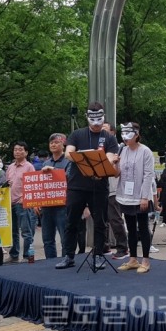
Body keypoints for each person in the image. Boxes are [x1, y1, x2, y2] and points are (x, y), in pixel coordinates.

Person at [55, 102, 118, 270]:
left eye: (99, 118)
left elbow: (112, 157)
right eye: (93, 118)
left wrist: (105, 161)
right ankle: (69, 255)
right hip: (77, 185)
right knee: (71, 221)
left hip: (99, 185)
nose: (96, 123)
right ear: (87, 117)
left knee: (100, 222)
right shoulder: (77, 134)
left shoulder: (109, 137)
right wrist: (82, 157)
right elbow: (68, 152)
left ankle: (98, 255)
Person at [114, 122, 155, 273]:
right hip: (125, 194)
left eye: (128, 134)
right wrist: (116, 164)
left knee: (143, 227)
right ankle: (132, 259)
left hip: (140, 195)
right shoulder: (122, 151)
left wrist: (145, 197)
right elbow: (116, 174)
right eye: (123, 134)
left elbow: (148, 175)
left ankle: (145, 260)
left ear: (136, 134)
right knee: (130, 227)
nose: (125, 137)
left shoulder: (146, 151)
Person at [40, 134, 70, 259]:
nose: (53, 144)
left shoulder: (68, 161)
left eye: (57, 142)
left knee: (65, 238)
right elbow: (40, 184)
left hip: (62, 205)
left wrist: (53, 170)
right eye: (51, 142)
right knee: (47, 239)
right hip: (47, 205)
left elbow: (69, 178)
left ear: (64, 144)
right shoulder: (46, 162)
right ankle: (50, 261)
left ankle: (66, 259)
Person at [102, 122, 129, 259]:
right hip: (101, 188)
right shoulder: (98, 149)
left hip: (114, 188)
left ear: (113, 133)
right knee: (101, 219)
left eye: (105, 130)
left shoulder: (120, 149)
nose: (102, 133)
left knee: (115, 219)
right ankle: (104, 246)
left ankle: (123, 248)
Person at [6, 141, 36, 263]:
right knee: (12, 231)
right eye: (15, 149)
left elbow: (33, 184)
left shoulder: (29, 166)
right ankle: (14, 255)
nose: (17, 152)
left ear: (26, 152)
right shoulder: (10, 167)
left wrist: (26, 198)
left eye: (20, 149)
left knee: (26, 231)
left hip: (23, 203)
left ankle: (27, 256)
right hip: (10, 202)